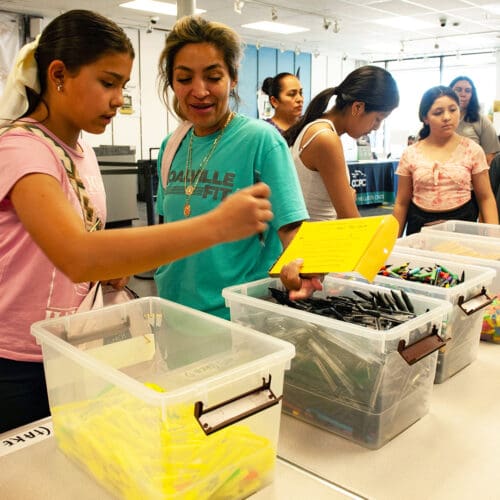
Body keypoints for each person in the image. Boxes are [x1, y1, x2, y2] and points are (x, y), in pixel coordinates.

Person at [0, 10, 273, 433]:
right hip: (17, 361)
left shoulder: (81, 152)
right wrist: (216, 225)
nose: (117, 99)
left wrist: (111, 270)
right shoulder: (21, 149)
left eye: (123, 86)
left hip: (69, 346)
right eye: (108, 83)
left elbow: (76, 246)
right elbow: (77, 255)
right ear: (58, 75)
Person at [154, 16, 319, 320]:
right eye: (184, 78)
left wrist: (299, 263)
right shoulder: (171, 146)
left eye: (213, 77)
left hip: (235, 317)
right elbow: (169, 232)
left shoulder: (260, 140)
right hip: (173, 310)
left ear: (233, 78)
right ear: (172, 81)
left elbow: (292, 228)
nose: (199, 91)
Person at [283, 66, 399, 221]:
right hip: (319, 240)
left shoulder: (316, 128)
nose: (377, 127)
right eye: (378, 118)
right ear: (357, 107)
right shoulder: (325, 138)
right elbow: (349, 218)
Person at [393, 85, 498, 236]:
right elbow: (401, 203)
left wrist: (495, 241)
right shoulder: (411, 153)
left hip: (462, 227)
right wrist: (392, 244)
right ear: (425, 118)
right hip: (420, 229)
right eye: (438, 112)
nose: (447, 117)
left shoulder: (473, 150)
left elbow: (486, 198)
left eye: (453, 110)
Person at [449, 76, 500, 165]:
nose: (463, 94)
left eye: (468, 91)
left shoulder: (482, 120)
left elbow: (490, 156)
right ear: (449, 92)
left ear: (472, 95)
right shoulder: (436, 118)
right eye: (458, 90)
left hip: (471, 175)